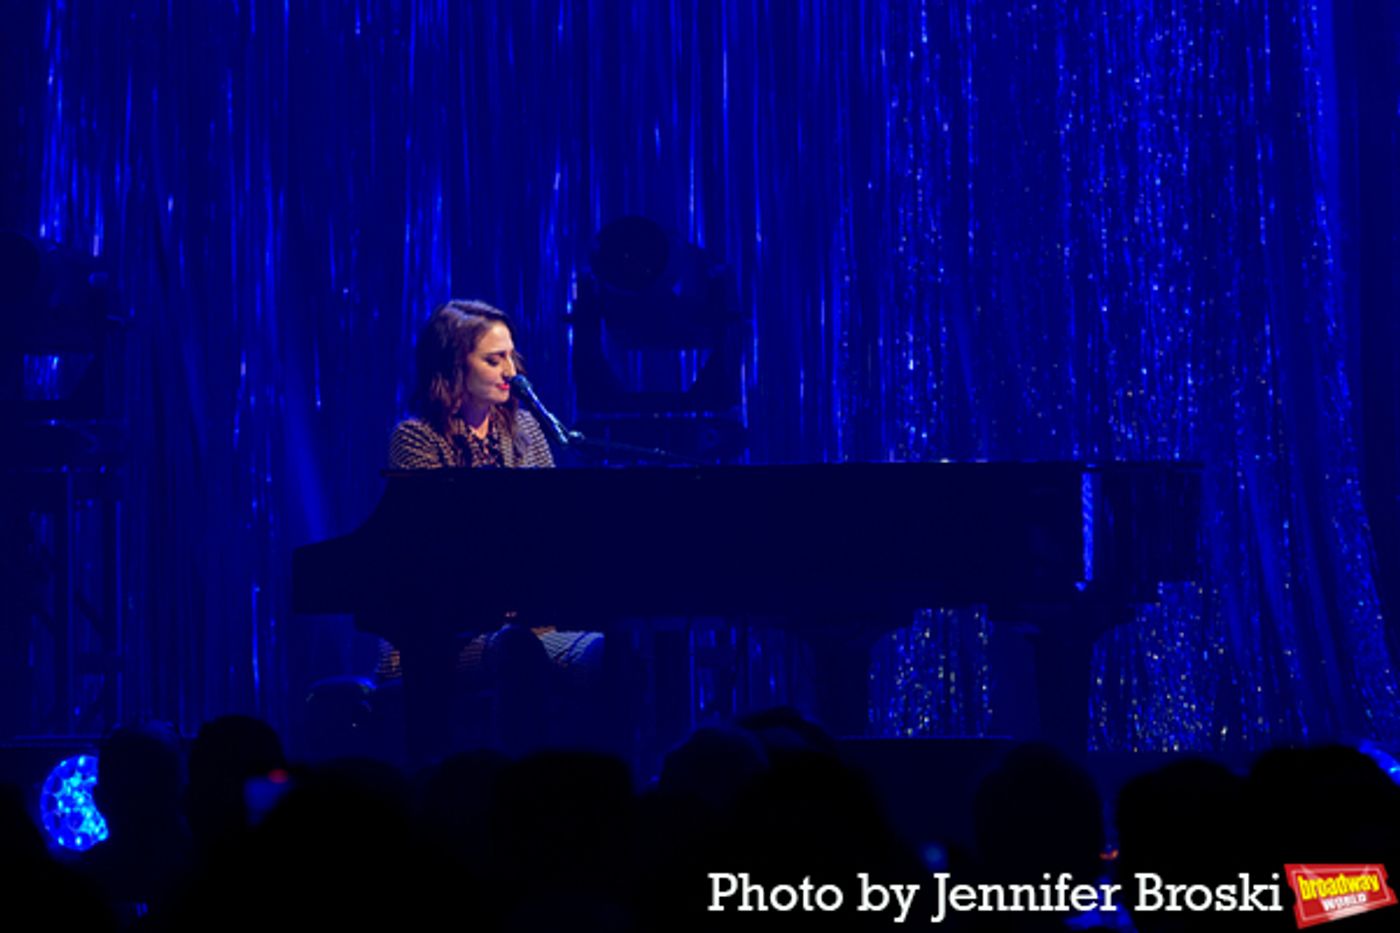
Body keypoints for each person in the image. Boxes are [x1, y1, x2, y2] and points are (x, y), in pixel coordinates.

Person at [377, 300, 602, 752]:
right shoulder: (417, 437)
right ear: (454, 366)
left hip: (532, 626)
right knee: (515, 650)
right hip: (438, 640)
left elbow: (552, 528)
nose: (510, 371)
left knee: (610, 651)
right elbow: (436, 544)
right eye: (493, 359)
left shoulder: (527, 431)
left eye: (512, 357)